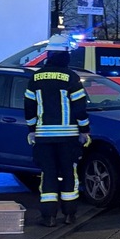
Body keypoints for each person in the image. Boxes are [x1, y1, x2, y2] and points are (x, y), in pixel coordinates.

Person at [24, 34, 91, 227]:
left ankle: (49, 217)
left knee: (48, 174)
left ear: (48, 54)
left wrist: (32, 129)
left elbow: (29, 107)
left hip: (43, 136)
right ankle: (69, 215)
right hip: (68, 137)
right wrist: (84, 130)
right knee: (69, 174)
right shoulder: (71, 77)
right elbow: (80, 108)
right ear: (65, 55)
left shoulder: (35, 77)